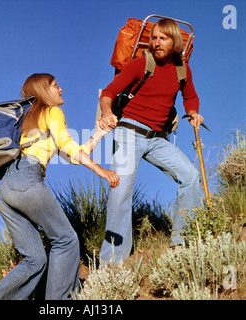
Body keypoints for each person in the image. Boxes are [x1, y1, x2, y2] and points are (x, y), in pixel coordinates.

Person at [0, 73, 119, 300]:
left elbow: (71, 155)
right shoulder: (52, 112)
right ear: (44, 91)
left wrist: (99, 134)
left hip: (6, 190)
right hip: (27, 180)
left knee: (35, 259)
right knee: (66, 240)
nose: (61, 89)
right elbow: (67, 145)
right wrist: (100, 170)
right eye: (55, 85)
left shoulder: (28, 119)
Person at [98, 18, 204, 263]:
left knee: (189, 177)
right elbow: (109, 92)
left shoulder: (182, 69)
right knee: (120, 191)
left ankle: (182, 244)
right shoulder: (140, 64)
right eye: (153, 37)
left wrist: (193, 112)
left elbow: (190, 96)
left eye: (162, 38)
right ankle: (112, 263)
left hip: (157, 138)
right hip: (129, 131)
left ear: (175, 42)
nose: (156, 43)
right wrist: (107, 112)